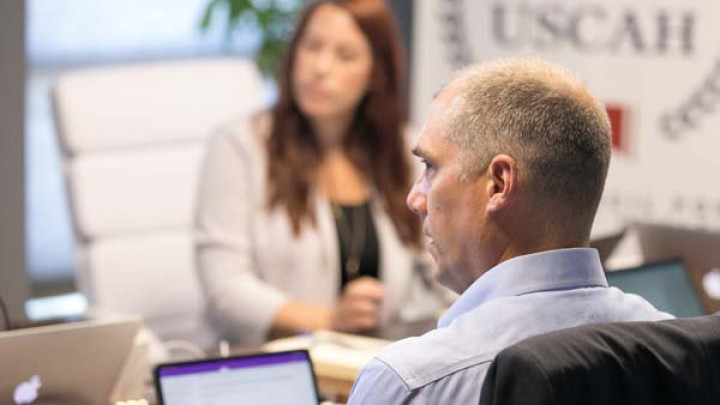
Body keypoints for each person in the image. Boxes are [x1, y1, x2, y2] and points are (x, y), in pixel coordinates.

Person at [346, 58, 672, 404]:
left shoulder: (412, 383)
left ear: (499, 184)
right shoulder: (674, 350)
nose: (415, 199)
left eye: (430, 167)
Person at [194, 0, 447, 346]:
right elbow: (225, 289)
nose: (320, 67)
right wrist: (328, 320)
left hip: (373, 365)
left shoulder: (401, 147)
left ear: (376, 73)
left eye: (345, 55)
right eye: (311, 46)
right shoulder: (241, 145)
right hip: (270, 362)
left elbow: (444, 257)